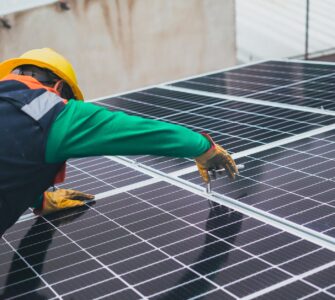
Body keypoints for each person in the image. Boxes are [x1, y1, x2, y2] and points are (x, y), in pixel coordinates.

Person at [0, 48, 238, 236]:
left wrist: (39, 199)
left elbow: (11, 154)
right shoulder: (52, 112)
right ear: (59, 88)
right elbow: (142, 132)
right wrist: (204, 148)